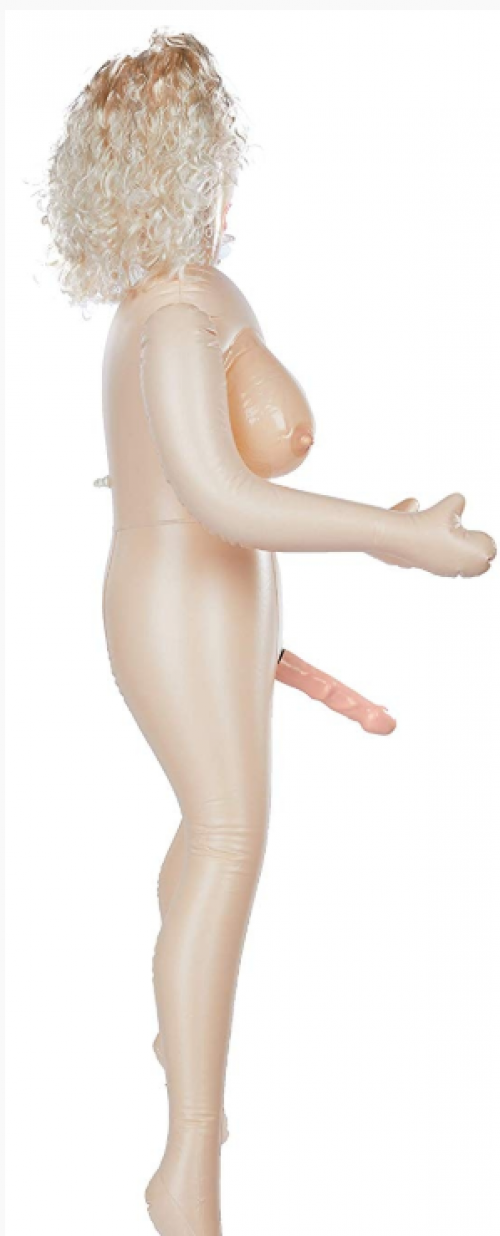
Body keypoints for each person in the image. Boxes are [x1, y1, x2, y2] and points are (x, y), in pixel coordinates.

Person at [40, 29, 496, 1236]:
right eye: (211, 150)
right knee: (226, 840)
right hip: (180, 605)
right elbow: (218, 500)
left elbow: (194, 509)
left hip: (203, 612)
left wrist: (271, 659)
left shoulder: (170, 301)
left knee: (212, 839)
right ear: (183, 162)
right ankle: (186, 1159)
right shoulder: (172, 316)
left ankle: (178, 1035)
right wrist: (394, 539)